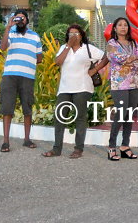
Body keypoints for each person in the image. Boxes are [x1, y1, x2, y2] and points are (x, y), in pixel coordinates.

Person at [42, 24, 104, 159]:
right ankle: (57, 149)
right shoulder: (64, 48)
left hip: (83, 88)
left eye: (76, 33)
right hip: (65, 88)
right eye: (70, 34)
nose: (73, 36)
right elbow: (58, 62)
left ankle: (78, 149)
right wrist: (68, 46)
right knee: (60, 117)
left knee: (80, 118)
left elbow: (105, 57)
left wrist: (94, 69)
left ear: (81, 36)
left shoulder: (89, 48)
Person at [0, 10, 43, 152]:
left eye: (23, 18)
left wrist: (27, 61)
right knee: (7, 108)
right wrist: (8, 27)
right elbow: (3, 47)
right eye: (18, 18)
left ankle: (27, 139)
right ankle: (5, 142)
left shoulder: (35, 37)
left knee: (27, 107)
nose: (21, 20)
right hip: (10, 75)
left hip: (28, 76)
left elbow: (40, 58)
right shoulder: (11, 33)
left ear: (27, 21)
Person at [103, 17, 138, 161]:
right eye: (119, 25)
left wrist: (130, 59)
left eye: (125, 25)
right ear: (114, 28)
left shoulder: (133, 43)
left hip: (134, 83)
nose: (123, 27)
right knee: (121, 113)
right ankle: (111, 146)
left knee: (129, 115)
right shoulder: (111, 43)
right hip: (119, 84)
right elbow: (116, 57)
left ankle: (125, 146)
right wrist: (131, 59)